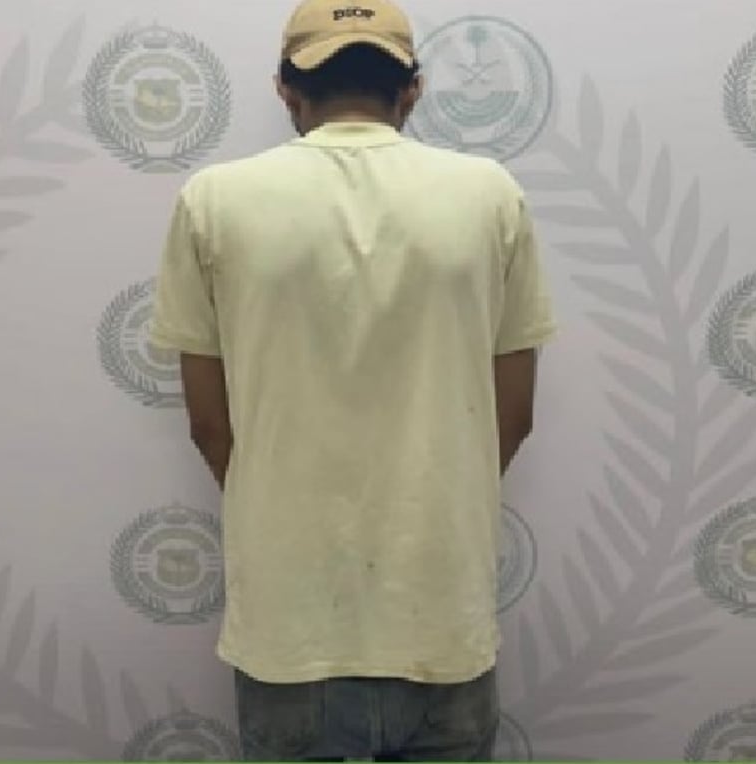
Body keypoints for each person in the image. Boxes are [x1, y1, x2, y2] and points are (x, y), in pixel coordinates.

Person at [148, 0, 556, 759]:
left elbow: (208, 425)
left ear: (285, 90)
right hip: (441, 611)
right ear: (413, 90)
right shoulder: (491, 194)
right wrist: (438, 504)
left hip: (289, 621)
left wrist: (278, 511)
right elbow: (515, 414)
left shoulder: (213, 200)